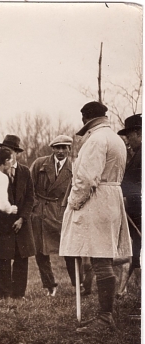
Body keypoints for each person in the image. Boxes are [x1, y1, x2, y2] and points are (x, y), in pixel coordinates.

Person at [60, 101, 131, 332]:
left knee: (101, 260)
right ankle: (105, 314)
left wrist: (73, 202)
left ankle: (104, 317)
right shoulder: (116, 139)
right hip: (112, 197)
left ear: (86, 120)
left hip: (98, 198)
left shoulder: (96, 140)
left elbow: (87, 178)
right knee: (104, 258)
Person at [0, 134, 35, 300]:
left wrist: (22, 218)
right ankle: (5, 294)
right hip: (2, 224)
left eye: (12, 151)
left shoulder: (25, 171)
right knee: (3, 260)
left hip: (21, 224)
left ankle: (19, 294)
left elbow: (30, 198)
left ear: (16, 153)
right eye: (5, 150)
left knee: (22, 259)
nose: (9, 154)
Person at [30, 135, 74, 296]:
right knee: (40, 252)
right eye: (57, 147)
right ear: (52, 149)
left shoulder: (74, 168)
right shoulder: (39, 164)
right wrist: (35, 207)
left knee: (69, 249)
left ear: (69, 149)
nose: (61, 151)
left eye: (64, 147)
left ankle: (78, 284)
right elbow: (29, 188)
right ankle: (50, 286)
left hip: (61, 212)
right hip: (40, 212)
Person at [118, 113, 142, 292]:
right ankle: (124, 287)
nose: (127, 141)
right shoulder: (135, 155)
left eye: (129, 136)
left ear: (139, 133)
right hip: (133, 211)